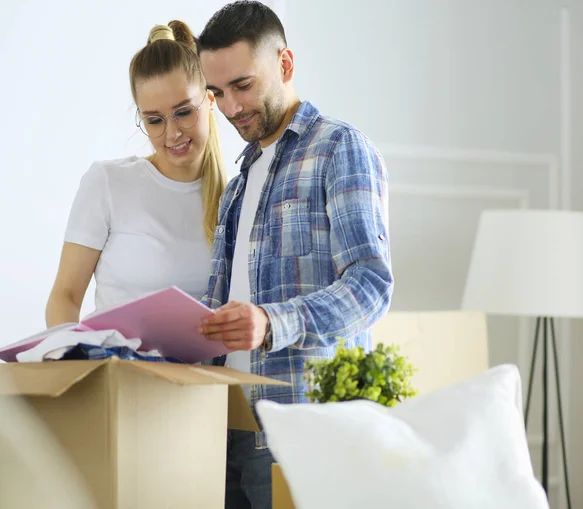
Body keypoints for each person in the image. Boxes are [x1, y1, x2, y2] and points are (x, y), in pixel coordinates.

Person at [196, 2, 394, 507]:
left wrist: (270, 321)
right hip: (222, 429)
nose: (231, 107)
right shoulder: (241, 179)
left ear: (285, 65)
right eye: (216, 93)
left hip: (299, 433)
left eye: (243, 85)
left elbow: (371, 285)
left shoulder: (339, 148)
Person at [46, 20, 227, 326]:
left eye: (184, 112)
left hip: (200, 375)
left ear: (210, 100)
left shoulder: (235, 199)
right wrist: (73, 360)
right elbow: (65, 297)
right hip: (114, 371)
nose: (173, 134)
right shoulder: (109, 183)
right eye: (154, 120)